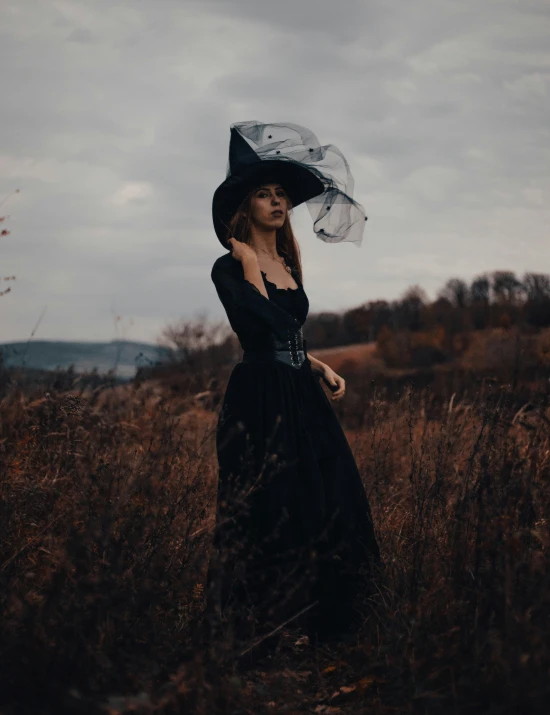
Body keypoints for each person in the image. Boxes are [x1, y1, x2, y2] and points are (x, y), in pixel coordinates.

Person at [204, 122, 381, 657]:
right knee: (269, 506)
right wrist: (251, 266)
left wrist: (319, 366)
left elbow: (292, 335)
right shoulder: (229, 267)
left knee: (332, 496)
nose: (278, 201)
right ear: (245, 206)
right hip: (259, 399)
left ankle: (335, 626)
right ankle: (258, 634)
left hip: (298, 393)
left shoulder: (287, 263)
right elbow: (264, 326)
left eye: (282, 194)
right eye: (265, 193)